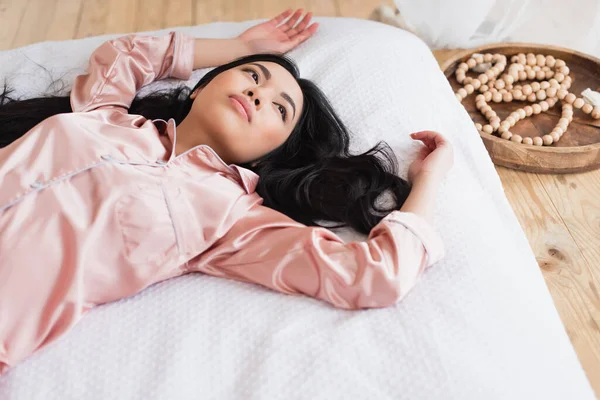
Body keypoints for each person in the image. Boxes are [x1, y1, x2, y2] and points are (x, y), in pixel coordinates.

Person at [0, 9, 454, 375]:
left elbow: (372, 275)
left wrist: (429, 180)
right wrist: (244, 47)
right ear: (199, 90)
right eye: (254, 77)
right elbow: (126, 53)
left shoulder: (231, 218)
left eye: (279, 108)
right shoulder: (106, 115)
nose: (258, 94)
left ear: (273, 153)